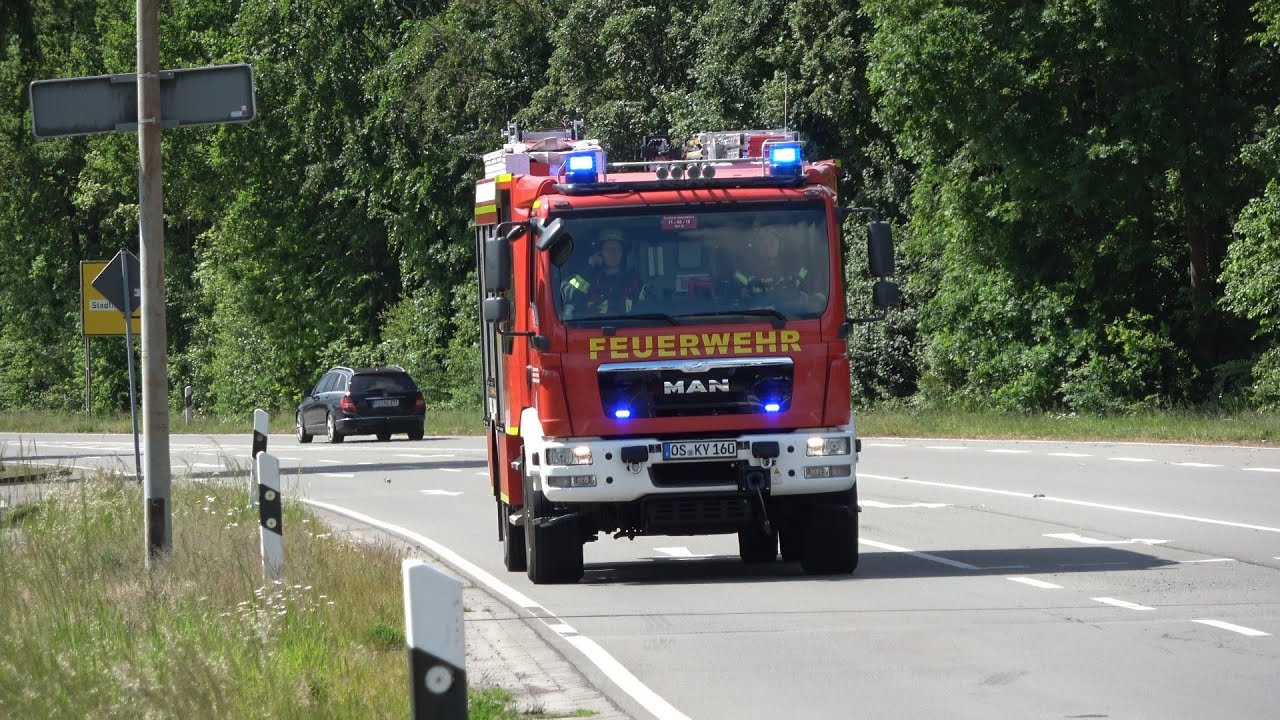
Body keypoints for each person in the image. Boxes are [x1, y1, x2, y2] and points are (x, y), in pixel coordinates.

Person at [562, 229, 647, 316]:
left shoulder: (635, 283)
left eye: (617, 249)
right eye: (608, 249)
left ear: (623, 254)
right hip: (592, 324)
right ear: (600, 253)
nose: (613, 253)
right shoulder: (586, 279)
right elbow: (569, 295)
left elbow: (646, 310)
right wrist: (590, 269)